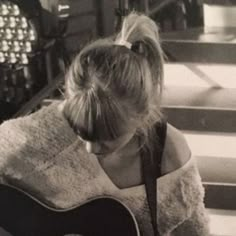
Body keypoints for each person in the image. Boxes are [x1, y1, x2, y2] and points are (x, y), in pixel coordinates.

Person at [0, 12, 209, 235]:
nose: (91, 148)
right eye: (80, 130)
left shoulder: (169, 157)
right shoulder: (33, 136)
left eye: (106, 138)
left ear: (141, 118)